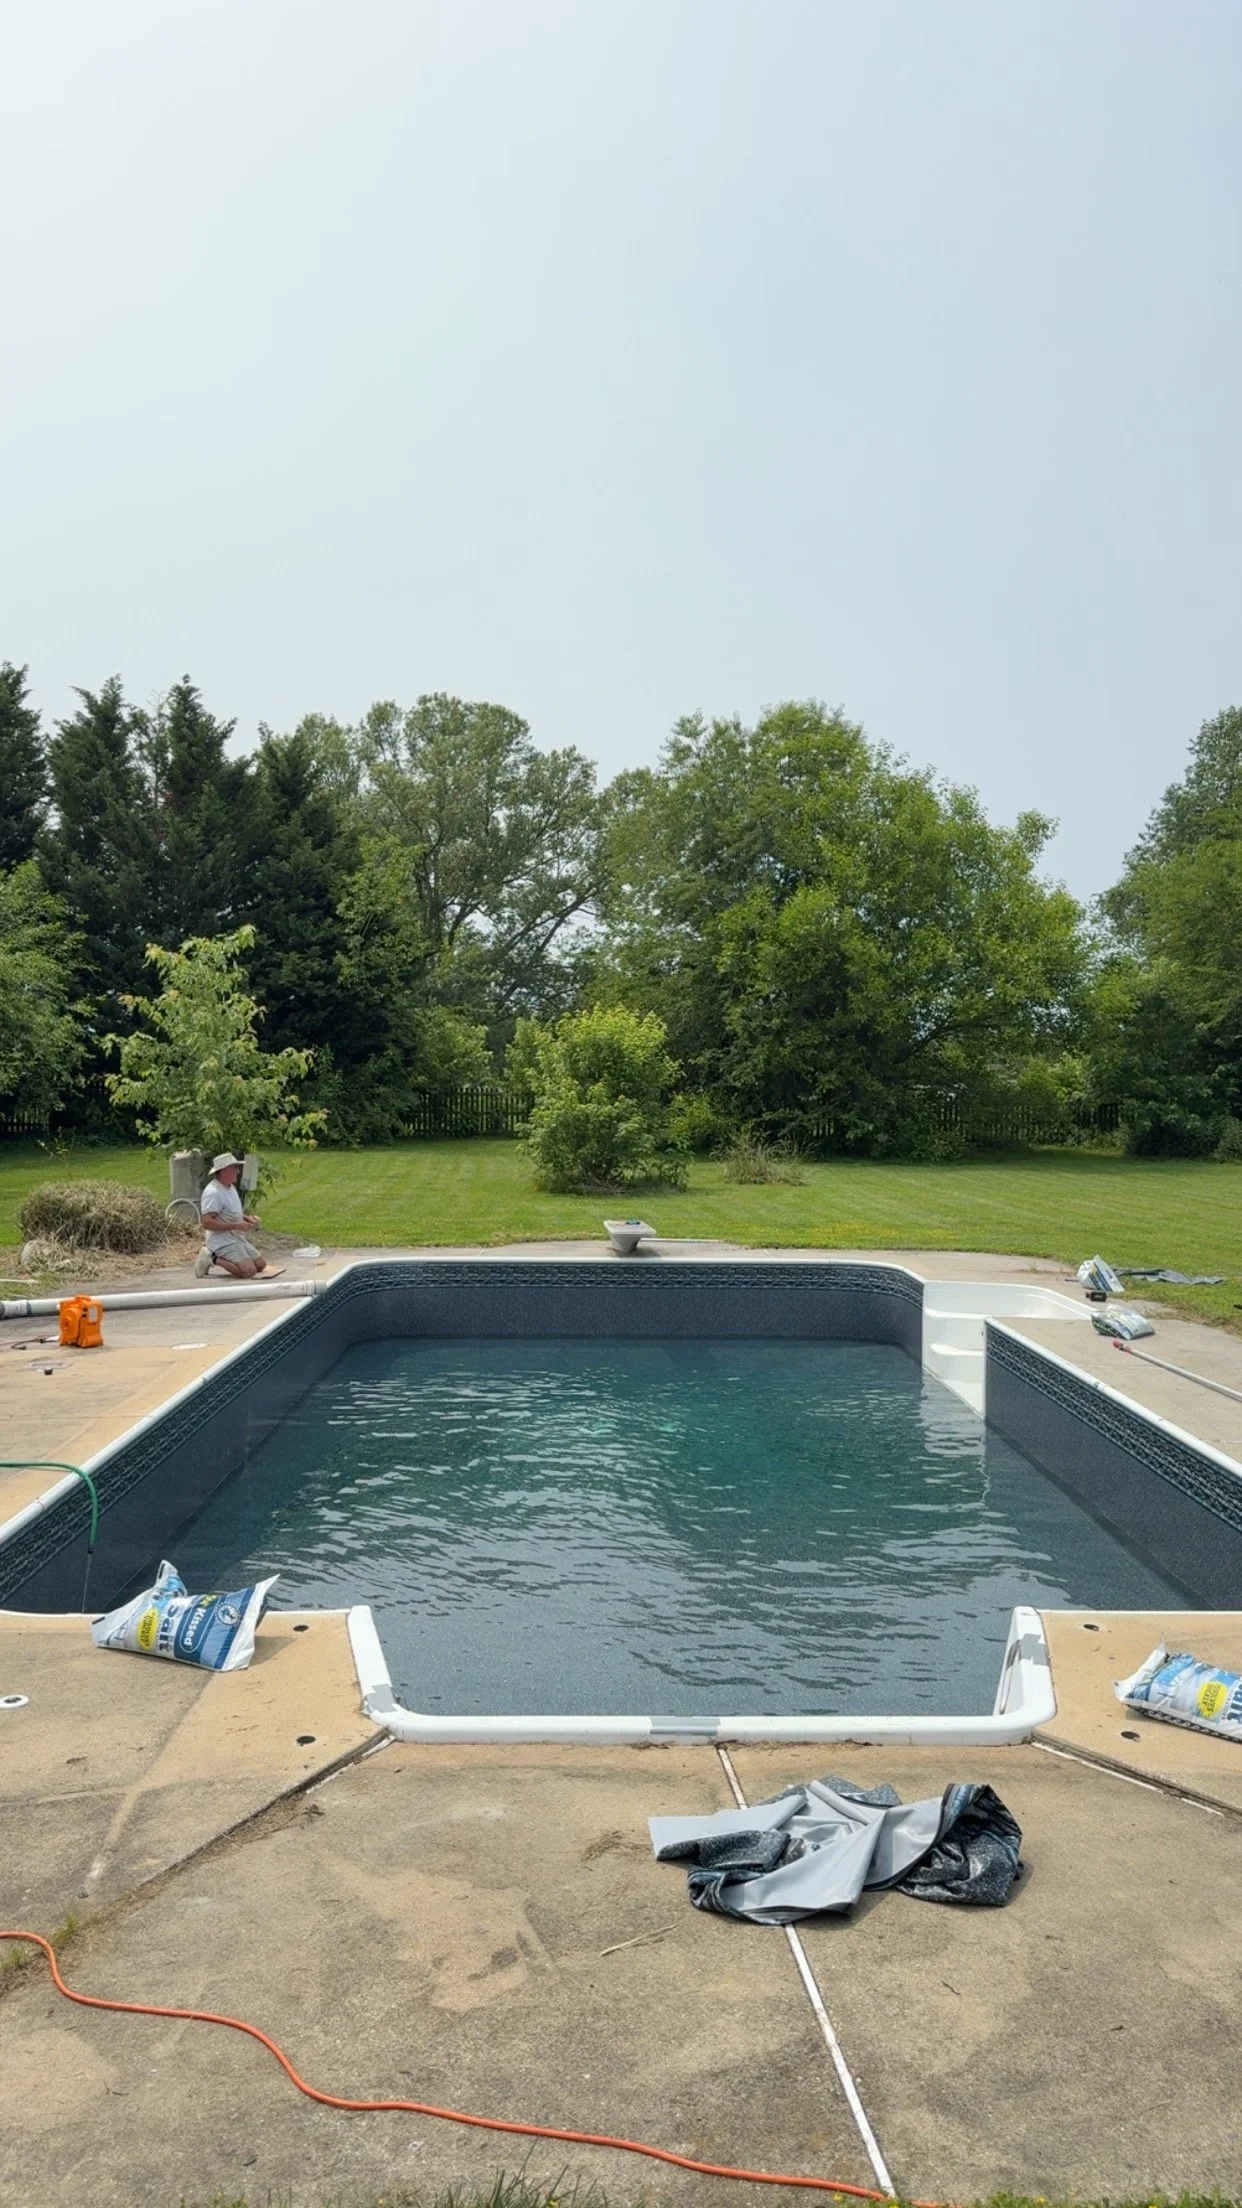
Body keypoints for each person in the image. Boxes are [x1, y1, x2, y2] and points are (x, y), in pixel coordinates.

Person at [194, 1153, 284, 1280]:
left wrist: (247, 1218)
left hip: (235, 1237)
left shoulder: (230, 1187)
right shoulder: (213, 1193)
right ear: (224, 1171)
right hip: (220, 1241)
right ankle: (211, 1257)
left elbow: (231, 1211)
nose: (238, 1171)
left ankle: (226, 1258)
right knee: (249, 1271)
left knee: (260, 1265)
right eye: (234, 1168)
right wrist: (236, 1226)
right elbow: (206, 1223)